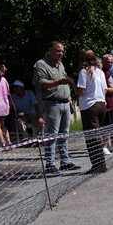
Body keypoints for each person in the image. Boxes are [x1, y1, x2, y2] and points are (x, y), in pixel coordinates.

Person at [33, 41, 78, 173]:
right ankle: (50, 164)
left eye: (62, 51)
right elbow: (41, 83)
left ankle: (65, 161)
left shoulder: (60, 65)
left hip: (64, 103)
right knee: (51, 135)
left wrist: (69, 101)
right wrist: (59, 81)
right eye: (58, 51)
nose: (61, 53)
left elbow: (65, 84)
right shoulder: (41, 65)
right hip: (51, 103)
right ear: (49, 50)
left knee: (64, 134)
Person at [75, 49, 113, 173]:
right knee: (97, 135)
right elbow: (105, 89)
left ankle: (98, 165)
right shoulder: (100, 71)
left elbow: (81, 91)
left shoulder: (84, 72)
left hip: (90, 105)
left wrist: (71, 82)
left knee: (92, 137)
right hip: (101, 104)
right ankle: (100, 164)